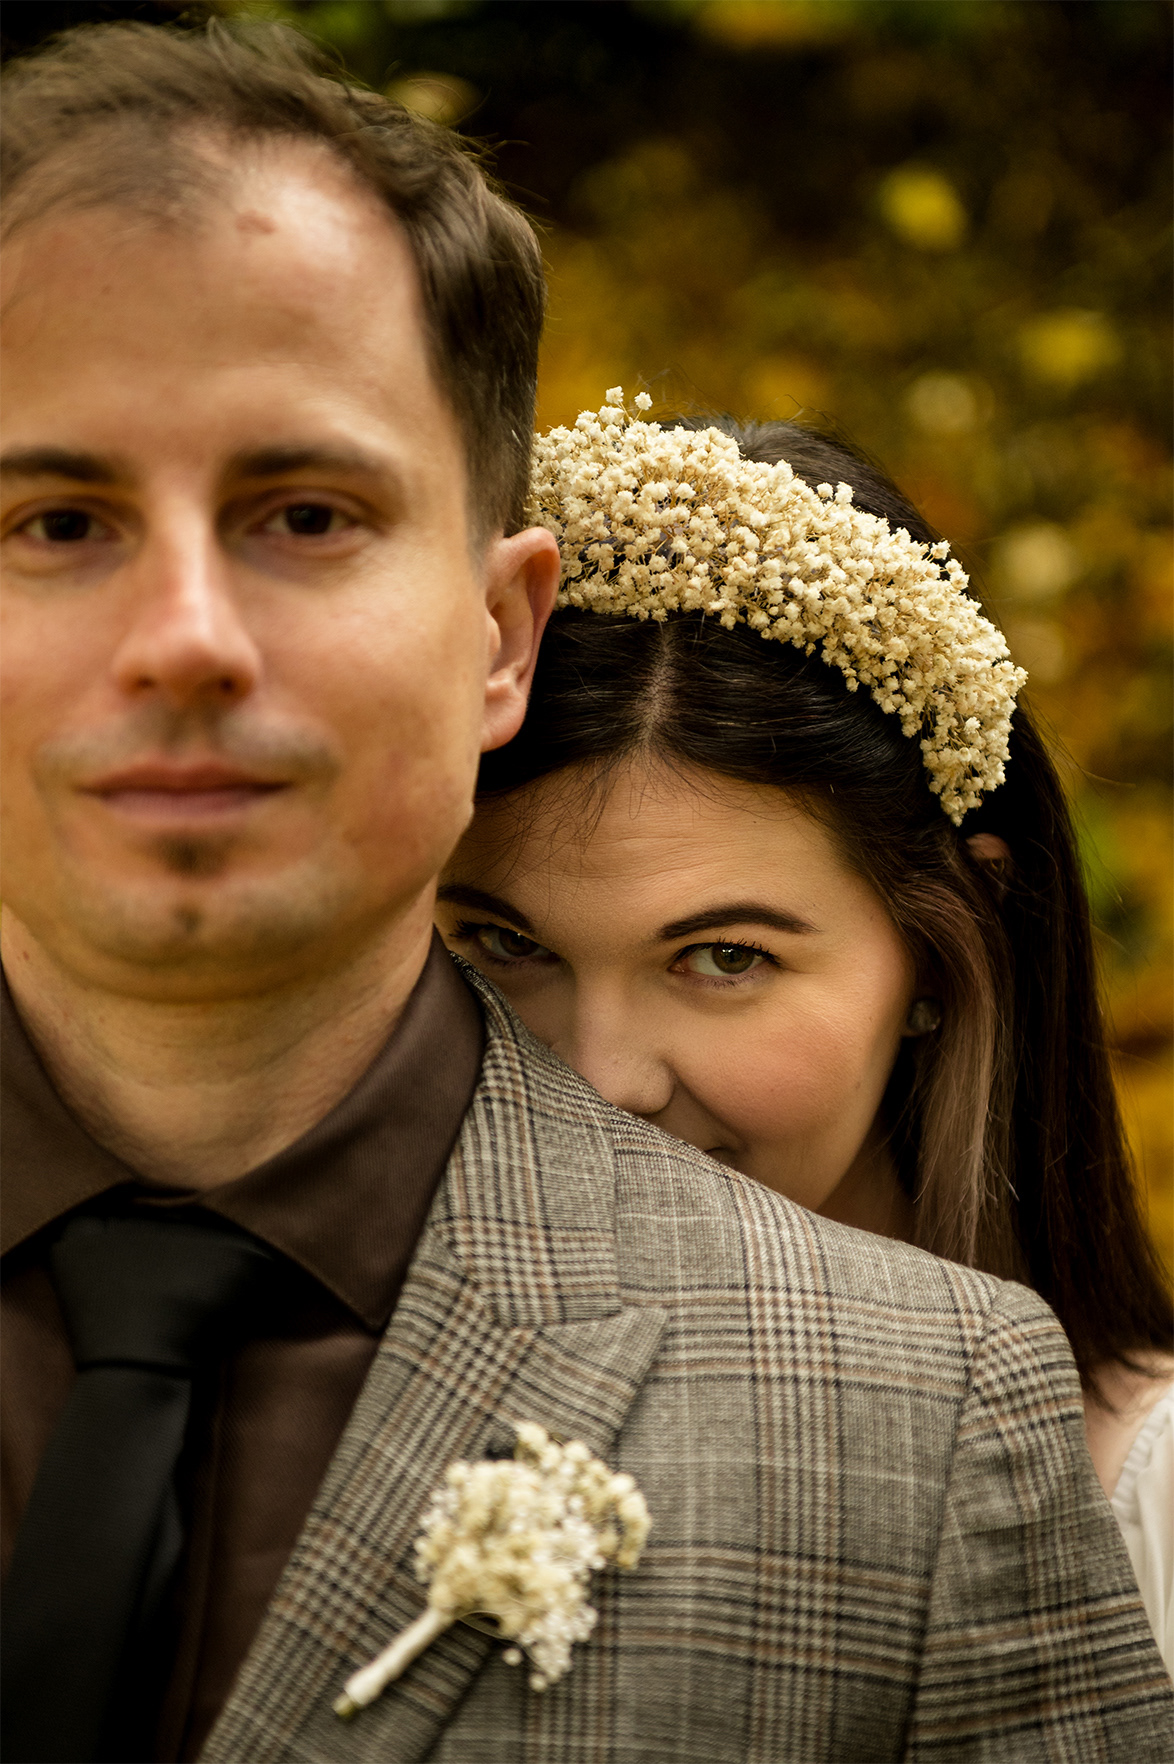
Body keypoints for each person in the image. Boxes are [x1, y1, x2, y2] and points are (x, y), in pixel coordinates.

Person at [0, 19, 1169, 1764]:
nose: (185, 638)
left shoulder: (921, 1418)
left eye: (306, 514)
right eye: (57, 522)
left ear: (498, 634)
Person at [438, 393, 1174, 1671]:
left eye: (725, 958)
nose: (600, 1080)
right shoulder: (328, 1410)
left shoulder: (1143, 1506)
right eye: (506, 946)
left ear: (944, 950)